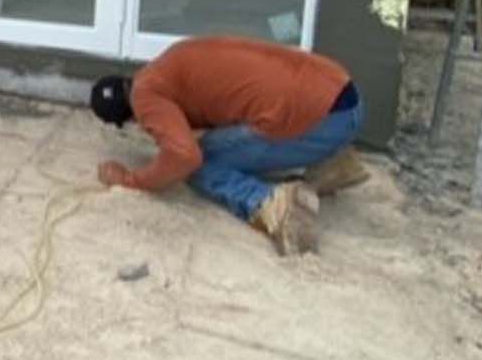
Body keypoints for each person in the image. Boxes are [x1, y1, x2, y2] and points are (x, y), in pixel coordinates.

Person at [88, 36, 369, 255]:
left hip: (324, 120)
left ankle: (274, 206)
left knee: (201, 164)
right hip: (343, 96)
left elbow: (184, 156)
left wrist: (131, 181)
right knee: (220, 142)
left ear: (129, 117)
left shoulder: (144, 97)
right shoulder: (170, 60)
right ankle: (329, 161)